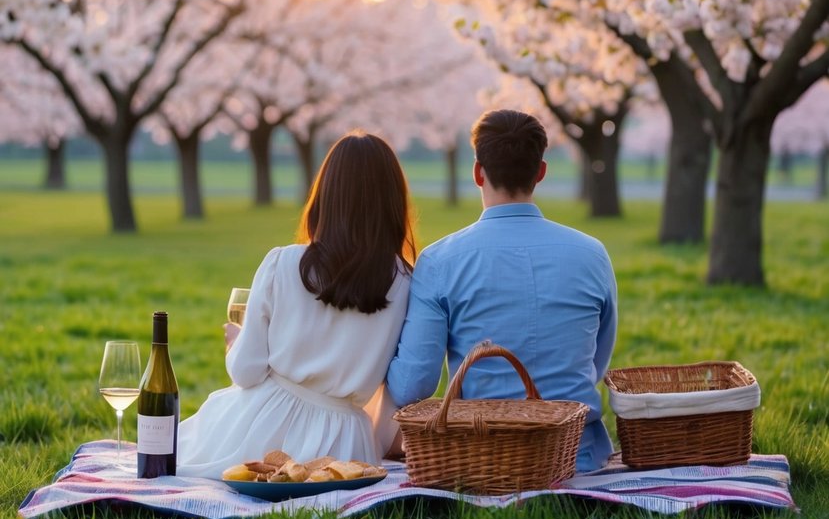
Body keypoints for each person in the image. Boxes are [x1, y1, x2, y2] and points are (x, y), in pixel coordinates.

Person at [385, 108, 617, 472]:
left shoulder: (440, 260)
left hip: (481, 459)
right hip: (579, 455)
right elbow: (595, 359)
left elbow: (412, 386)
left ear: (478, 172)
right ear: (540, 172)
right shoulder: (592, 253)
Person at [177, 131, 416, 478]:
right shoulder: (407, 281)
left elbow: (246, 372)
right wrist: (374, 449)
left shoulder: (283, 263)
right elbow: (393, 389)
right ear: (394, 202)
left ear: (326, 196)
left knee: (184, 448)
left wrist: (235, 342)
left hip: (267, 428)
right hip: (348, 442)